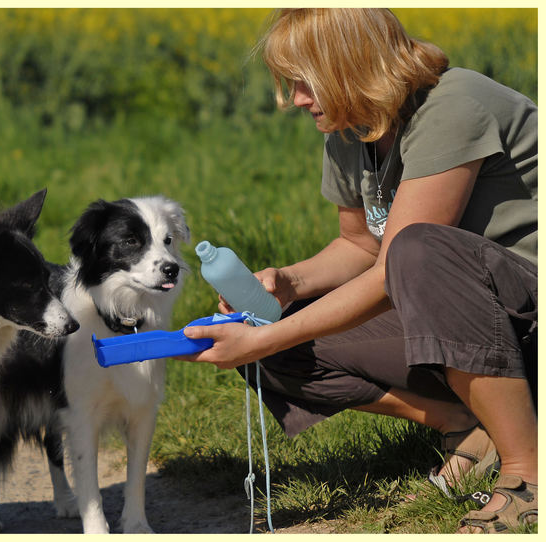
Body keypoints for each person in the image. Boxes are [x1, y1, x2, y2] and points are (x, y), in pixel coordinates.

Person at [181, 8, 537, 534]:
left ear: (352, 64)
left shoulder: (455, 104)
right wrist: (288, 284)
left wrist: (268, 340)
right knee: (272, 326)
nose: (297, 100)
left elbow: (397, 262)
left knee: (411, 252)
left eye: (306, 82)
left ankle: (529, 475)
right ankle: (466, 427)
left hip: (527, 311)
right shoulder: (351, 129)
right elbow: (360, 245)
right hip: (465, 315)